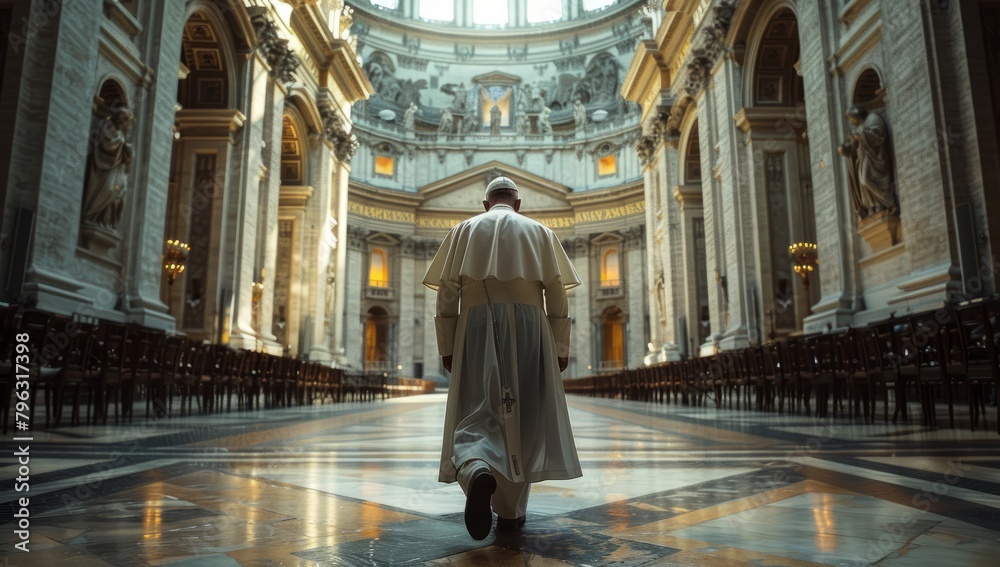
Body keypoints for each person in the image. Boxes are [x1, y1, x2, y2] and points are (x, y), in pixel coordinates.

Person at [422, 176, 583, 541]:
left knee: (477, 407)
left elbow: (446, 294)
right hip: (531, 327)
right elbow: (558, 294)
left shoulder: (463, 230)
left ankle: (477, 468)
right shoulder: (540, 231)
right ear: (518, 203)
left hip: (476, 325)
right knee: (523, 414)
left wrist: (447, 346)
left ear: (484, 204)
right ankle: (511, 514)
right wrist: (559, 347)